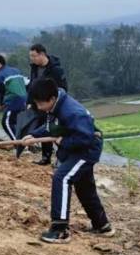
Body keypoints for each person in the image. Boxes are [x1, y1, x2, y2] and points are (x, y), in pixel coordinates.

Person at [23, 77, 112, 243]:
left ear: (52, 99)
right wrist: (34, 135)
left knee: (62, 178)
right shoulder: (54, 107)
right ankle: (102, 225)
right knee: (85, 188)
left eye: (41, 104)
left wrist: (63, 141)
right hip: (75, 149)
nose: (40, 108)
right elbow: (52, 127)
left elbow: (85, 139)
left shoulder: (73, 112)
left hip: (86, 150)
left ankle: (60, 230)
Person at [26, 43, 67, 166]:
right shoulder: (34, 68)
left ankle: (61, 158)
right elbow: (32, 85)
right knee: (44, 130)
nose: (32, 59)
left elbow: (63, 89)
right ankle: (46, 157)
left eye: (34, 56)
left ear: (42, 54)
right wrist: (29, 102)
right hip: (39, 105)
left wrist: (56, 105)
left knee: (56, 130)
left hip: (52, 105)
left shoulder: (56, 70)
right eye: (31, 56)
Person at [0, 54, 27, 155]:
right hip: (24, 100)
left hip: (13, 101)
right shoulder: (16, 70)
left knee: (6, 123)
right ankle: (20, 143)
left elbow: (0, 91)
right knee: (14, 123)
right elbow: (26, 83)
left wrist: (0, 103)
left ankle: (19, 146)